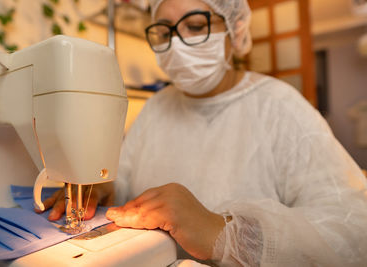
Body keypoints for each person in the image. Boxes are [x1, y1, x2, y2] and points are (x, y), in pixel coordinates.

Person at [37, 0, 367, 266]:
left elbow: (352, 231)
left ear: (235, 30)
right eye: (165, 32)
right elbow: (124, 177)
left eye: (195, 26)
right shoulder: (156, 108)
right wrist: (104, 185)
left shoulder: (279, 107)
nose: (178, 43)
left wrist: (224, 234)